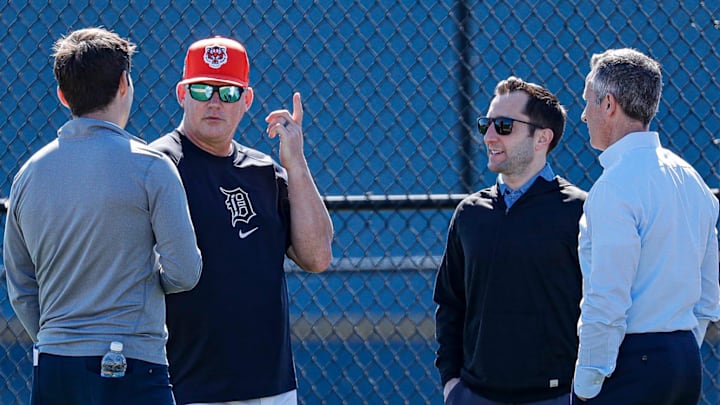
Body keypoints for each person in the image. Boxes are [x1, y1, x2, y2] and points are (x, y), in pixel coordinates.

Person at [3, 27, 202, 405]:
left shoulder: (28, 174)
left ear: (63, 95)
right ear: (125, 84)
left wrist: (58, 335)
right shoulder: (151, 167)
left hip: (54, 367)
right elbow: (184, 272)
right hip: (131, 363)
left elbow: (21, 286)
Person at [150, 36, 333, 405]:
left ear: (246, 100)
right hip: (185, 386)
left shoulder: (264, 171)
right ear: (182, 94)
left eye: (228, 93)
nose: (215, 102)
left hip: (271, 387)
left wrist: (294, 161)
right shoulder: (156, 165)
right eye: (202, 89)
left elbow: (316, 257)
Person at [572, 48, 720, 404]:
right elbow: (709, 293)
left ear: (609, 105)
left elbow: (607, 299)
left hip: (629, 366)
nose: (583, 114)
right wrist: (679, 345)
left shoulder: (613, 188)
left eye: (588, 101)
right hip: (683, 360)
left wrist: (587, 381)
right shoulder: (691, 178)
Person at [433, 76, 587, 404]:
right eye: (486, 124)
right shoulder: (470, 214)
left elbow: (606, 305)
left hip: (558, 397)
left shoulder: (580, 212)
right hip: (475, 396)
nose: (489, 136)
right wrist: (452, 384)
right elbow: (449, 304)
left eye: (503, 125)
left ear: (542, 137)